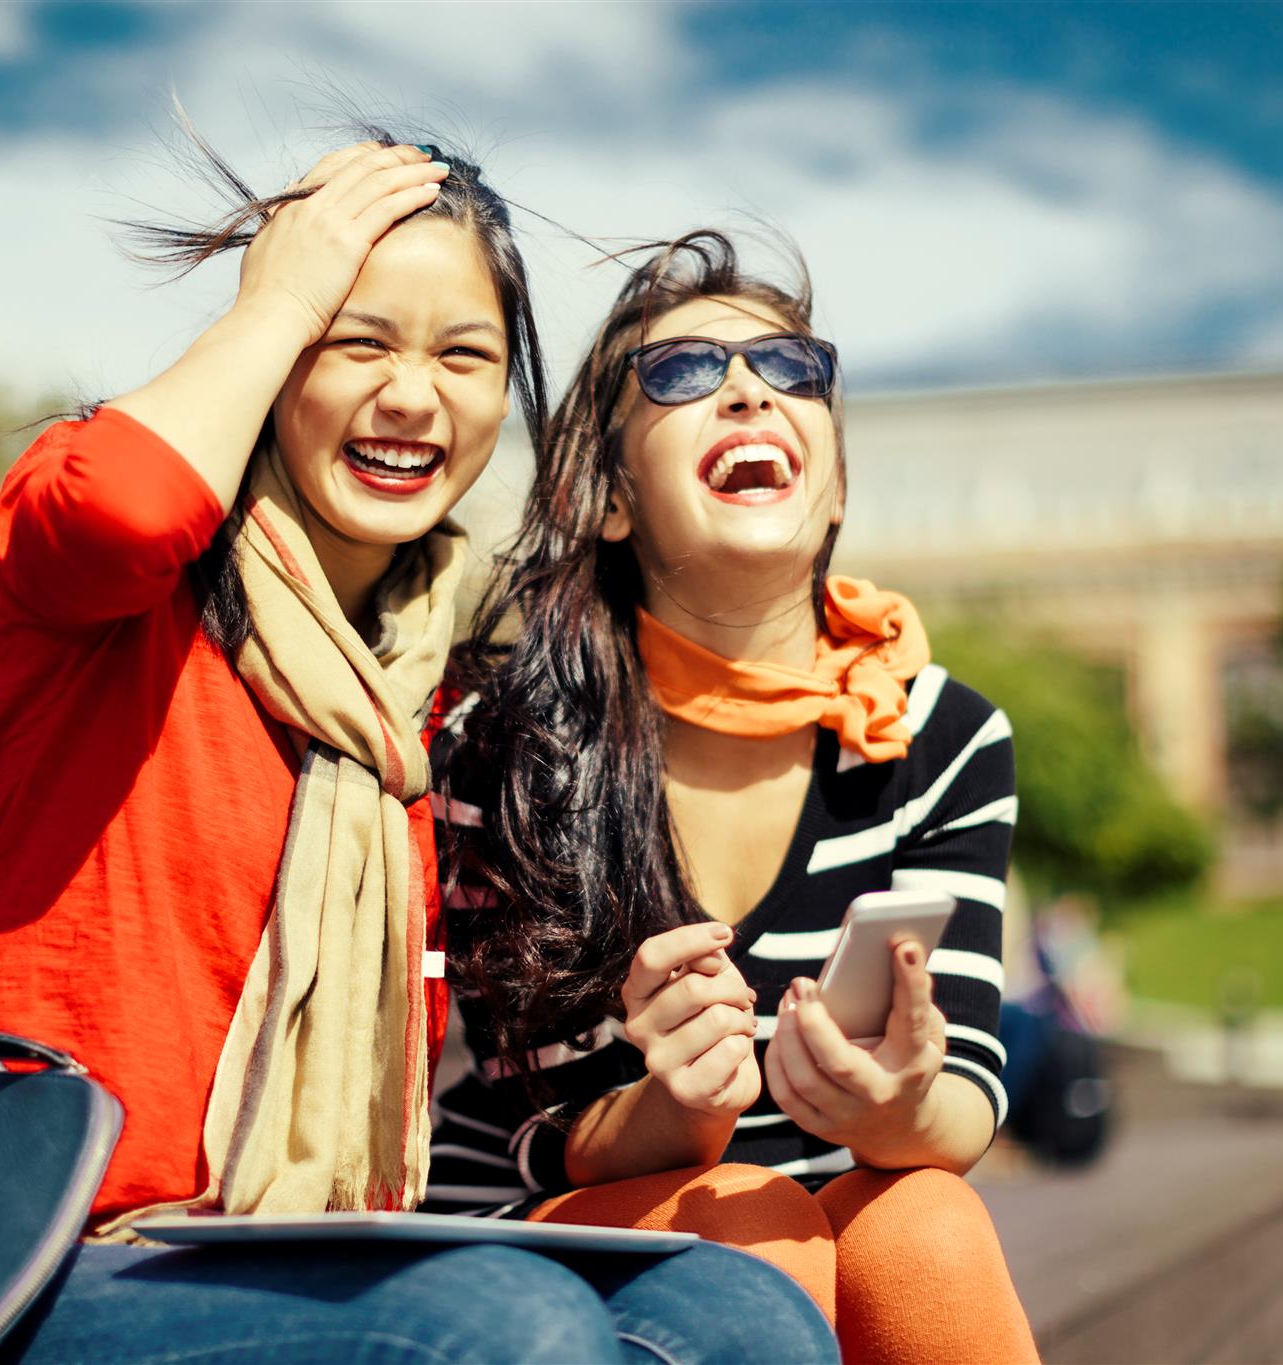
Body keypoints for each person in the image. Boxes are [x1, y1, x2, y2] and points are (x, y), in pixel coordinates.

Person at [0, 140, 834, 1365]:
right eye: (357, 342)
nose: (410, 397)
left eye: (462, 356)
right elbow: (121, 505)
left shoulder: (426, 699)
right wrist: (281, 294)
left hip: (296, 1264)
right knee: (503, 1332)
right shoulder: (116, 590)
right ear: (278, 360)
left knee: (742, 1319)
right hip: (25, 1254)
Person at [427, 232, 1038, 1363]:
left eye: (792, 370)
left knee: (927, 1227)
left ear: (835, 476)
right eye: (682, 375)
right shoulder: (504, 745)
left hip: (812, 1214)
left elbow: (964, 1106)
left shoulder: (939, 736)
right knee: (757, 1239)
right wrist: (678, 1113)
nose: (750, 389)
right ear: (609, 499)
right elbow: (520, 1130)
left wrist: (895, 1104)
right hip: (535, 1220)